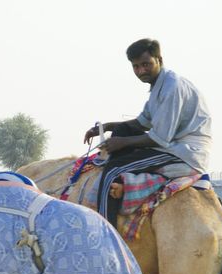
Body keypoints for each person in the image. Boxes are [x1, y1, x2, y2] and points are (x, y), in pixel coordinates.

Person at [83, 38, 212, 227]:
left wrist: (122, 143)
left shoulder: (172, 88)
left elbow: (159, 138)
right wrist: (107, 127)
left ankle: (106, 232)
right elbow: (141, 123)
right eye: (136, 67)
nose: (141, 71)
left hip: (184, 153)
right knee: (123, 130)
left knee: (112, 171)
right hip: (173, 146)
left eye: (146, 64)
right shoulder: (159, 86)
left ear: (159, 59)